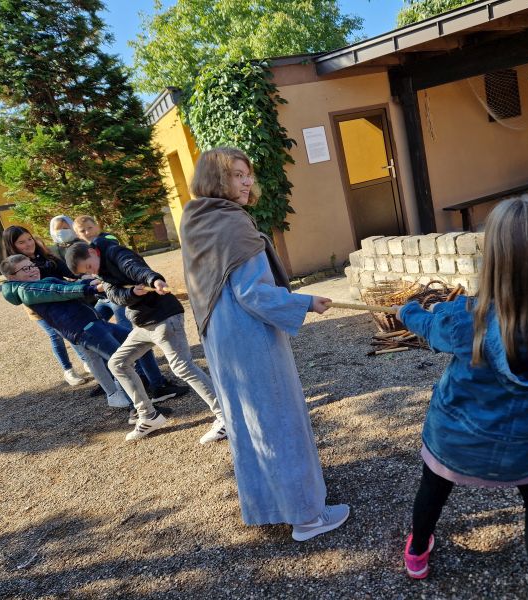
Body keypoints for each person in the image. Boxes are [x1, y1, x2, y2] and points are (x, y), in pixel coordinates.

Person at [398, 195, 528, 599]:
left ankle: (417, 552)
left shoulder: (468, 317)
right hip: (526, 450)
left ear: (495, 256)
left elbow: (428, 326)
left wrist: (408, 311)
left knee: (433, 485)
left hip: (454, 442)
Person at [179, 147, 349, 542]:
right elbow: (254, 293)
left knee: (248, 421)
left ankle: (269, 505)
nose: (247, 181)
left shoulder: (196, 219)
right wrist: (305, 301)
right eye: (238, 175)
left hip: (222, 339)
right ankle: (307, 516)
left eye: (247, 174)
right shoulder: (232, 224)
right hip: (248, 335)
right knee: (276, 419)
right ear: (217, 179)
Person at [66, 240, 225, 444]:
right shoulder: (101, 272)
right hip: (143, 324)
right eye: (87, 272)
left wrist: (153, 280)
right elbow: (114, 294)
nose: (92, 271)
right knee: (118, 363)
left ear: (92, 251)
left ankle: (225, 417)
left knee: (182, 367)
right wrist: (131, 293)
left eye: (89, 265)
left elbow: (133, 267)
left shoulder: (114, 253)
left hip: (164, 319)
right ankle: (149, 416)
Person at [0, 253, 128, 409]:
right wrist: (91, 288)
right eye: (25, 269)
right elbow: (59, 290)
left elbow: (65, 285)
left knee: (94, 358)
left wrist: (90, 282)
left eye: (32, 265)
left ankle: (115, 392)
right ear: (12, 277)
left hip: (79, 325)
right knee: (108, 357)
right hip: (78, 328)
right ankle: (117, 393)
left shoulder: (37, 283)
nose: (32, 269)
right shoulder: (27, 289)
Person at [2, 225, 89, 386]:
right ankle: (68, 370)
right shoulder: (15, 266)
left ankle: (86, 360)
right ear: (12, 246)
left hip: (62, 302)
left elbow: (70, 272)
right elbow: (13, 291)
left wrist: (85, 275)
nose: (28, 244)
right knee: (56, 334)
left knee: (72, 330)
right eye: (21, 242)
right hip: (39, 309)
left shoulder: (47, 257)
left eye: (29, 239)